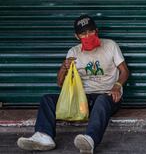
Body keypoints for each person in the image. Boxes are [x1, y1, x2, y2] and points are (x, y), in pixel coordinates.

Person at [17, 15, 130, 153]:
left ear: (97, 31)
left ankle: (90, 140)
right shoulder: (73, 52)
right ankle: (44, 136)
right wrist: (64, 67)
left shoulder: (110, 45)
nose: (87, 36)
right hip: (82, 101)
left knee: (101, 99)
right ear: (77, 36)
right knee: (47, 99)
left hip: (108, 96)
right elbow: (60, 84)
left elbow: (124, 71)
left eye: (90, 31)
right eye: (83, 33)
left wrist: (117, 86)